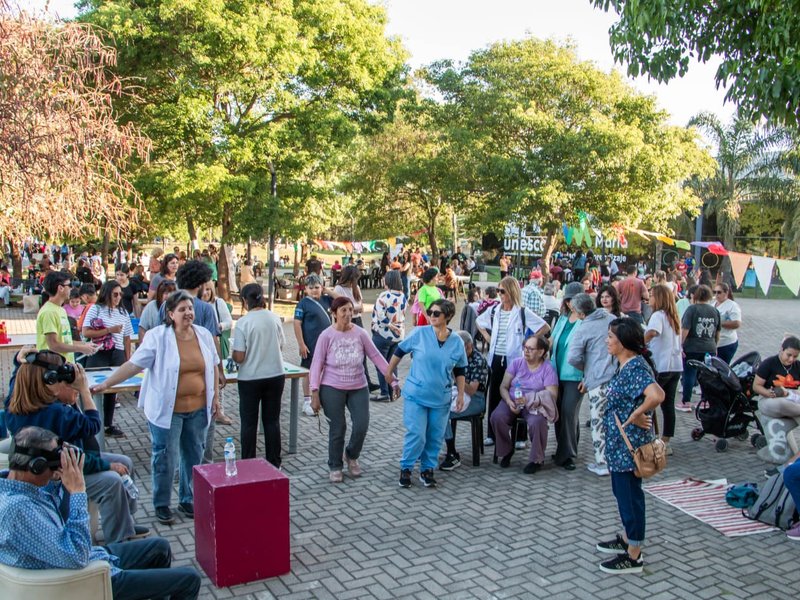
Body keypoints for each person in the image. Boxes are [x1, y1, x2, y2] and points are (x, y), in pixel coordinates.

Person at [0, 426, 201, 599]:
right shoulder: (17, 510)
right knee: (189, 579)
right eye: (53, 467)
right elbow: (77, 555)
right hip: (83, 577)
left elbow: (60, 521)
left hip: (89, 558)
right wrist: (78, 491)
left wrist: (58, 480)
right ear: (36, 466)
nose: (56, 470)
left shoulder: (16, 486)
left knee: (160, 547)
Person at [92, 290, 221, 525]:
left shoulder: (203, 334)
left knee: (194, 455)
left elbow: (212, 366)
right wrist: (107, 383)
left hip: (198, 410)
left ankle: (187, 498)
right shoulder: (157, 337)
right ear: (170, 314)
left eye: (190, 308)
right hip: (167, 412)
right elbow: (133, 365)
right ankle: (162, 504)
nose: (188, 313)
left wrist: (215, 399)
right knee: (165, 458)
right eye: (182, 309)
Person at [5, 351, 146, 543]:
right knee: (112, 480)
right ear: (49, 379)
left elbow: (18, 379)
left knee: (125, 462)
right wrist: (84, 391)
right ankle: (119, 541)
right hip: (58, 474)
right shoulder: (56, 413)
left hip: (63, 462)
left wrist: (18, 361)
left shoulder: (14, 405)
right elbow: (92, 427)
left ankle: (125, 522)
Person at [595, 318, 664, 574]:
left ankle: (634, 555)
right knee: (623, 494)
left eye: (611, 337)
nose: (607, 340)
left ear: (624, 342)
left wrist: (637, 414)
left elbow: (657, 395)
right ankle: (627, 538)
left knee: (630, 498)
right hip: (619, 446)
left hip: (629, 447)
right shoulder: (626, 364)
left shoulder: (635, 367)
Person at [309, 297, 392, 483]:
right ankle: (335, 464)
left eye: (350, 310)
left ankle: (351, 455)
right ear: (334, 314)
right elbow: (316, 365)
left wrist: (392, 379)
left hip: (358, 386)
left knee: (362, 424)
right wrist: (314, 392)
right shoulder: (326, 336)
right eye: (343, 311)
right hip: (332, 387)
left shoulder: (360, 333)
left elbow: (376, 356)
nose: (347, 314)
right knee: (338, 428)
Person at [387, 299, 467, 489]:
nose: (431, 315)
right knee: (417, 434)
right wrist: (389, 372)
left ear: (447, 317)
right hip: (417, 394)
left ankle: (427, 469)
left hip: (441, 397)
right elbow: (400, 349)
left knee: (435, 435)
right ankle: (406, 467)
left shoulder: (457, 342)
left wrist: (461, 394)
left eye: (436, 313)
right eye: (430, 312)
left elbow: (461, 370)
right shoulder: (420, 333)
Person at [476, 276, 550, 448]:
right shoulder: (494, 310)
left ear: (511, 291)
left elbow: (544, 326)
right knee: (494, 394)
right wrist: (487, 336)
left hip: (515, 359)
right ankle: (493, 434)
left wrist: (529, 342)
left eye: (502, 291)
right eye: (498, 291)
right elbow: (478, 321)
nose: (499, 294)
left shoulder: (522, 311)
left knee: (518, 393)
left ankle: (520, 436)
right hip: (495, 357)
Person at [232, 283, 286, 467]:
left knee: (249, 423)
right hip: (275, 374)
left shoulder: (243, 323)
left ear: (244, 301)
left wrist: (233, 354)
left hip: (250, 378)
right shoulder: (274, 317)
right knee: (272, 421)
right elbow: (281, 345)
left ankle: (248, 462)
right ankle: (274, 461)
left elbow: (239, 356)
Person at [565, 293, 617, 474]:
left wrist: (586, 371)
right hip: (617, 377)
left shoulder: (584, 327)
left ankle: (603, 463)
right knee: (615, 420)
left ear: (580, 313)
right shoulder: (612, 318)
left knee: (598, 421)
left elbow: (572, 357)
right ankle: (616, 458)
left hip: (598, 379)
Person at [491, 335, 558, 473]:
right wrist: (509, 402)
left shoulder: (547, 369)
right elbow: (503, 386)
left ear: (541, 352)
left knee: (537, 422)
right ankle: (506, 450)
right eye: (525, 347)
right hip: (512, 401)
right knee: (497, 417)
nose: (526, 351)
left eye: (531, 349)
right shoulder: (516, 363)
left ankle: (536, 459)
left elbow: (552, 395)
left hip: (534, 405)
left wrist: (529, 399)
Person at [82, 281, 134, 438]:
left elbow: (127, 338)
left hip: (116, 351)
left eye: (120, 294)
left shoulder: (123, 313)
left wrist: (127, 359)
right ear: (107, 294)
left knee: (112, 389)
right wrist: (109, 330)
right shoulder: (96, 309)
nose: (118, 298)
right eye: (115, 294)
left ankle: (108, 424)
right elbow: (86, 332)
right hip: (99, 352)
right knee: (93, 387)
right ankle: (89, 423)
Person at [439, 331, 489, 470]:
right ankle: (433, 448)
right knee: (432, 407)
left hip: (475, 400)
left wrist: (456, 376)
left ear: (468, 346)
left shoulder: (478, 361)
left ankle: (452, 453)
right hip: (457, 394)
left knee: (442, 414)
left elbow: (472, 390)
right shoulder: (455, 356)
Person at [645, 284, 683, 454]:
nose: (649, 299)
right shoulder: (673, 316)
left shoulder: (658, 316)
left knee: (649, 403)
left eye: (652, 296)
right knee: (668, 405)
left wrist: (640, 343)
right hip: (675, 366)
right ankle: (666, 440)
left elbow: (652, 332)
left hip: (660, 365)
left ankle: (650, 437)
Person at [36, 271, 98, 363]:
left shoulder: (60, 310)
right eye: (69, 285)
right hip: (52, 366)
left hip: (64, 364)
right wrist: (81, 348)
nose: (71, 288)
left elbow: (65, 341)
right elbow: (53, 345)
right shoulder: (49, 312)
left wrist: (85, 344)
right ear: (60, 288)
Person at [294, 274, 333, 416]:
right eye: (311, 288)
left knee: (324, 371)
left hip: (327, 344)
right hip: (310, 343)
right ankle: (306, 400)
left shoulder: (327, 300)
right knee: (308, 372)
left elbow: (342, 300)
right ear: (305, 289)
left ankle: (320, 398)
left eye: (317, 287)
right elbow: (297, 324)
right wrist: (301, 344)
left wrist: (328, 291)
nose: (314, 291)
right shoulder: (303, 303)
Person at [679, 285, 720, 412]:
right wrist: (715, 345)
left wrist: (680, 345)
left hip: (692, 347)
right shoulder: (715, 311)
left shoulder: (692, 309)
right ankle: (704, 400)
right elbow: (717, 332)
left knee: (689, 374)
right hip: (709, 347)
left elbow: (685, 329)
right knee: (706, 375)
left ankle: (686, 401)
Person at [370, 270, 407, 401]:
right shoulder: (403, 296)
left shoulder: (384, 296)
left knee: (381, 364)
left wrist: (390, 325)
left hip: (383, 334)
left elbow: (380, 317)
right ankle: (393, 391)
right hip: (398, 335)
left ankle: (384, 392)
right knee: (392, 364)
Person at [753, 335, 800, 420]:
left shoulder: (798, 366)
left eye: (795, 356)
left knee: (792, 406)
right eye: (789, 355)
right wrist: (768, 393)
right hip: (769, 399)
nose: (791, 359)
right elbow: (756, 386)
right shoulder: (768, 363)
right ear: (782, 349)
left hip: (792, 401)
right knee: (784, 403)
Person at [713, 282, 742, 364]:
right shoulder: (713, 304)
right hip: (714, 343)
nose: (716, 295)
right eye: (715, 292)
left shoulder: (732, 306)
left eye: (719, 292)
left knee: (722, 366)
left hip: (726, 342)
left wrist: (720, 323)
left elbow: (737, 323)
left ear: (726, 292)